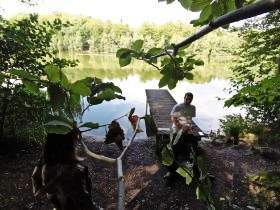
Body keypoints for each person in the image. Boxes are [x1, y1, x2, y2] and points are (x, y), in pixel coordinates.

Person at [31, 128, 101, 210]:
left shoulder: (44, 164)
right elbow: (87, 206)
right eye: (73, 141)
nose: (76, 143)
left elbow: (35, 178)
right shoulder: (73, 173)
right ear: (68, 145)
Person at [164, 92, 199, 180]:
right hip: (177, 129)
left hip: (187, 129)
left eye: (190, 99)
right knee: (174, 148)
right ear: (184, 98)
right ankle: (170, 171)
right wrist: (180, 127)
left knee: (193, 145)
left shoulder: (192, 107)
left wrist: (189, 127)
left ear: (192, 99)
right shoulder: (178, 106)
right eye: (187, 98)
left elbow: (189, 119)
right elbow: (173, 118)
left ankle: (193, 167)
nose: (188, 100)